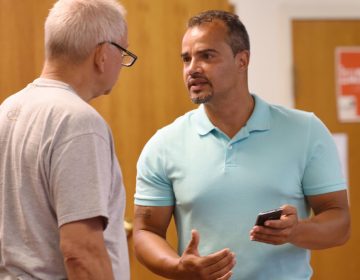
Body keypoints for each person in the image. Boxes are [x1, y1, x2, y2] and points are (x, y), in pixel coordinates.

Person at [133, 10, 351, 280]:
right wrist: (177, 268)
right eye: (186, 59)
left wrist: (296, 231)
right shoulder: (163, 144)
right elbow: (146, 232)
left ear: (242, 60)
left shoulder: (306, 131)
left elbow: (339, 222)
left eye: (206, 56)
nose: (192, 69)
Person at [0, 0, 137, 279]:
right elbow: (81, 253)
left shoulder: (7, 110)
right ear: (102, 54)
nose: (122, 64)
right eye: (122, 52)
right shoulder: (79, 122)